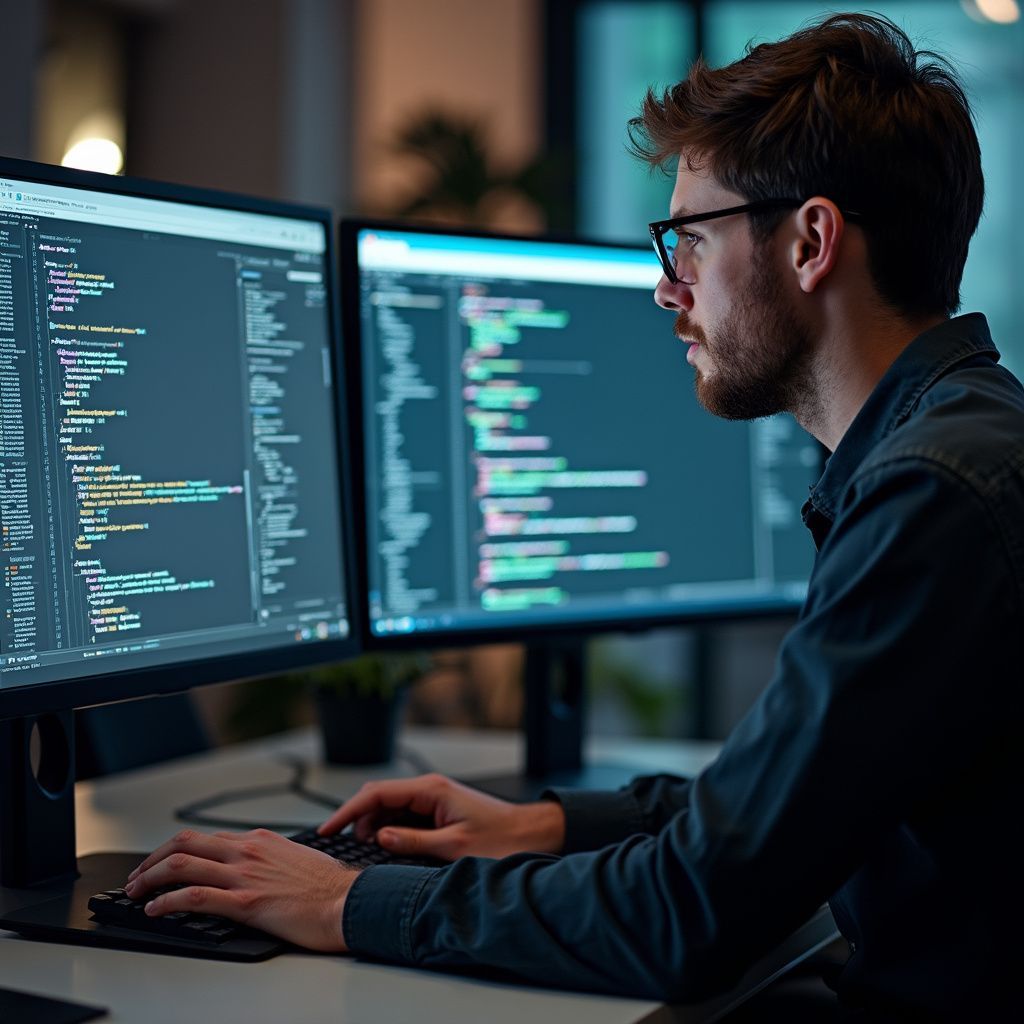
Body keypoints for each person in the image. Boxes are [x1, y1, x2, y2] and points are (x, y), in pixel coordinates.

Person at [125, 13, 1022, 1020]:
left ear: (810, 241)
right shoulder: (964, 445)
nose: (665, 290)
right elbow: (788, 808)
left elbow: (687, 911)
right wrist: (547, 825)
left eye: (688, 240)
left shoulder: (930, 494)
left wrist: (348, 897)